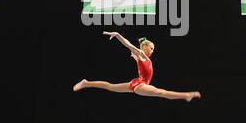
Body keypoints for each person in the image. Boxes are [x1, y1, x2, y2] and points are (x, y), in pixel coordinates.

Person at [73, 31, 201, 102]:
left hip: (137, 82)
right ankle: (186, 95)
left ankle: (86, 83)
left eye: (153, 49)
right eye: (151, 48)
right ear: (144, 47)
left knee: (110, 86)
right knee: (162, 93)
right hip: (141, 85)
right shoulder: (141, 55)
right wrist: (117, 35)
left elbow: (135, 47)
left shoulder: (142, 57)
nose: (152, 51)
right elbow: (128, 44)